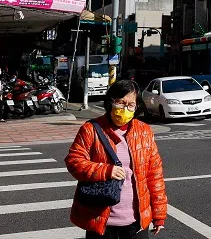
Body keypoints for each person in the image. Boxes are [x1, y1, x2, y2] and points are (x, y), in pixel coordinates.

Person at [65, 80, 167, 238]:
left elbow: (155, 175)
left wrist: (159, 214)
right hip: (101, 221)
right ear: (110, 102)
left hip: (136, 222)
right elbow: (73, 161)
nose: (125, 109)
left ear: (136, 106)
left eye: (130, 105)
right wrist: (105, 170)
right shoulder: (90, 129)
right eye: (120, 103)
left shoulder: (145, 131)